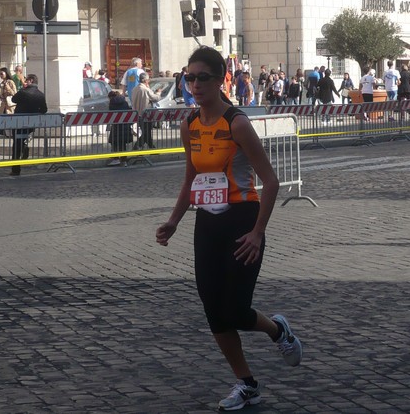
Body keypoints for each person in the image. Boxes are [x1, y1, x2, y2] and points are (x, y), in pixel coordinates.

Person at [155, 46, 302, 412]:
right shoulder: (188, 125)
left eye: (202, 77)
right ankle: (247, 383)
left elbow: (269, 181)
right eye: (189, 77)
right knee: (213, 312)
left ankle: (278, 330)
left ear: (221, 79)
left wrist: (257, 232)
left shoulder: (237, 123)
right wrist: (174, 220)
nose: (194, 84)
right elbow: (192, 175)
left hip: (242, 220)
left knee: (235, 310)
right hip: (207, 222)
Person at [9, 74, 47, 176]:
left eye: (26, 80)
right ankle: (24, 147)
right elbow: (44, 110)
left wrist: (23, 89)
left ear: (30, 80)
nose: (25, 82)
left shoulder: (23, 92)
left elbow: (13, 100)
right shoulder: (40, 94)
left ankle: (15, 169)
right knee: (22, 140)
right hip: (31, 124)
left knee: (16, 144)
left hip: (19, 122)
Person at [131, 72, 161, 150]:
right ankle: (137, 147)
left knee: (146, 132)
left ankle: (151, 148)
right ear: (146, 80)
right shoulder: (145, 89)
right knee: (146, 132)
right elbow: (155, 98)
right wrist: (158, 93)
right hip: (146, 114)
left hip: (137, 113)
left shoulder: (135, 89)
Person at [107, 91, 134, 167]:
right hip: (125, 125)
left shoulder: (112, 103)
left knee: (114, 142)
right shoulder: (124, 102)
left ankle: (116, 159)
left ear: (110, 97)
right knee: (122, 144)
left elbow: (110, 114)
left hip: (116, 126)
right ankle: (124, 160)